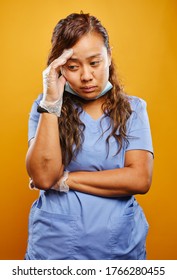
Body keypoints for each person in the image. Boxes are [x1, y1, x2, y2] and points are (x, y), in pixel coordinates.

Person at [25, 12, 153, 260]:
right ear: (59, 68)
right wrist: (52, 101)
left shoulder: (134, 109)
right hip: (54, 248)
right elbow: (42, 176)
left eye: (94, 63)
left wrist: (66, 180)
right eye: (73, 67)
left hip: (119, 249)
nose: (85, 76)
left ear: (109, 57)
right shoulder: (44, 108)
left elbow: (139, 179)